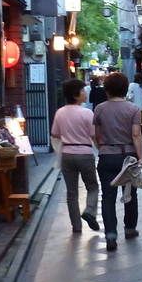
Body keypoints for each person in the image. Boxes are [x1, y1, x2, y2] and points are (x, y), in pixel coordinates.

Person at [93, 72, 142, 251]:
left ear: (107, 88)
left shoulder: (99, 109)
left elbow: (96, 135)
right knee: (130, 194)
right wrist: (140, 157)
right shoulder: (133, 109)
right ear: (125, 88)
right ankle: (129, 229)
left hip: (107, 155)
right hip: (127, 156)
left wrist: (103, 148)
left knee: (107, 196)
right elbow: (136, 134)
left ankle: (111, 235)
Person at [49, 79, 100, 234]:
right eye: (83, 91)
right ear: (75, 95)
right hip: (85, 154)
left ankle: (76, 226)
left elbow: (55, 133)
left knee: (72, 192)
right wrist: (102, 150)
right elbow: (94, 135)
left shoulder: (60, 112)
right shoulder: (86, 113)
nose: (85, 93)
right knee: (92, 187)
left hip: (67, 155)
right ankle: (90, 211)